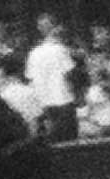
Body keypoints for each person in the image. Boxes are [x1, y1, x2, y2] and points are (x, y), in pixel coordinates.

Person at [23, 17, 83, 145]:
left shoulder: (33, 54)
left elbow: (30, 80)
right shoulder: (60, 50)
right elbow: (69, 75)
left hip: (43, 104)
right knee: (70, 144)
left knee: (51, 143)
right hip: (63, 102)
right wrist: (78, 97)